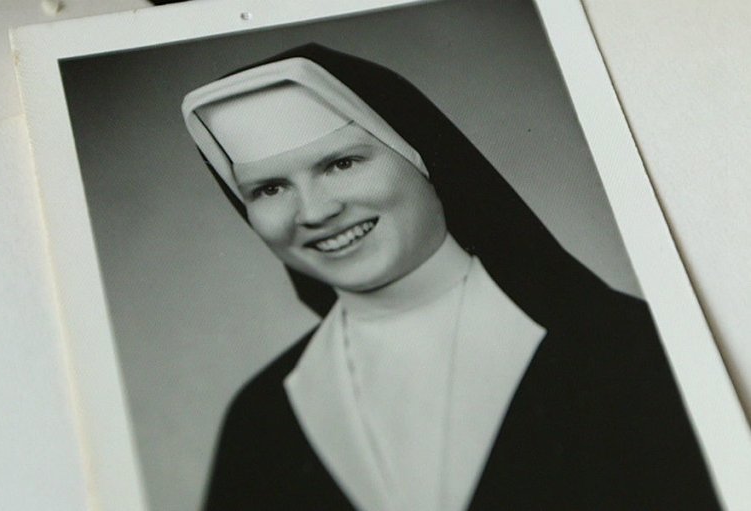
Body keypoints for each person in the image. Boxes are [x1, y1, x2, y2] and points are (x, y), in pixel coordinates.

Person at [182, 44, 720, 511]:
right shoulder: (261, 415)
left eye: (341, 164)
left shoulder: (624, 342)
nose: (315, 211)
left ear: (422, 158)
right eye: (269, 189)